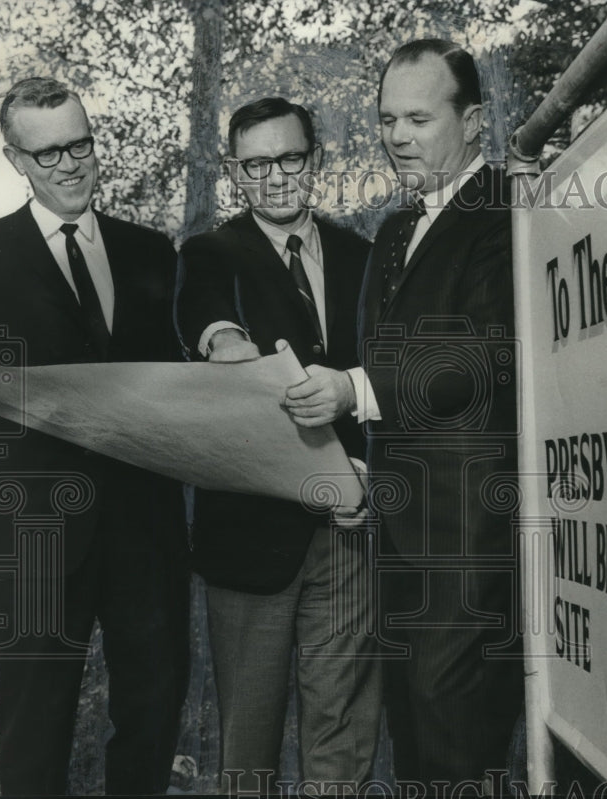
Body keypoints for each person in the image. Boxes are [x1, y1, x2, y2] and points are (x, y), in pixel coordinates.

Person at [285, 40, 522, 786]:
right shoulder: (394, 231)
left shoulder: (508, 212)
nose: (397, 137)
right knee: (415, 744)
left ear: (475, 120)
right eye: (388, 119)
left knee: (456, 745)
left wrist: (353, 388)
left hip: (470, 547)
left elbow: (486, 353)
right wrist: (361, 461)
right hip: (395, 540)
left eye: (419, 117)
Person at [0, 77, 189, 795]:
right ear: (15, 158)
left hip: (147, 525)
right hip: (37, 529)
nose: (71, 164)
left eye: (80, 143)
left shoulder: (152, 252)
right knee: (36, 722)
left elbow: (175, 383)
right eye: (48, 153)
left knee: (154, 706)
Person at [174, 97, 380, 791]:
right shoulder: (211, 253)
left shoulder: (364, 256)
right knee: (248, 742)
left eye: (288, 158)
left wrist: (369, 470)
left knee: (341, 728)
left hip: (347, 532)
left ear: (313, 158)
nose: (274, 178)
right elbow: (203, 314)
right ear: (235, 172)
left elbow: (385, 376)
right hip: (249, 542)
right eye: (254, 165)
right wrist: (225, 341)